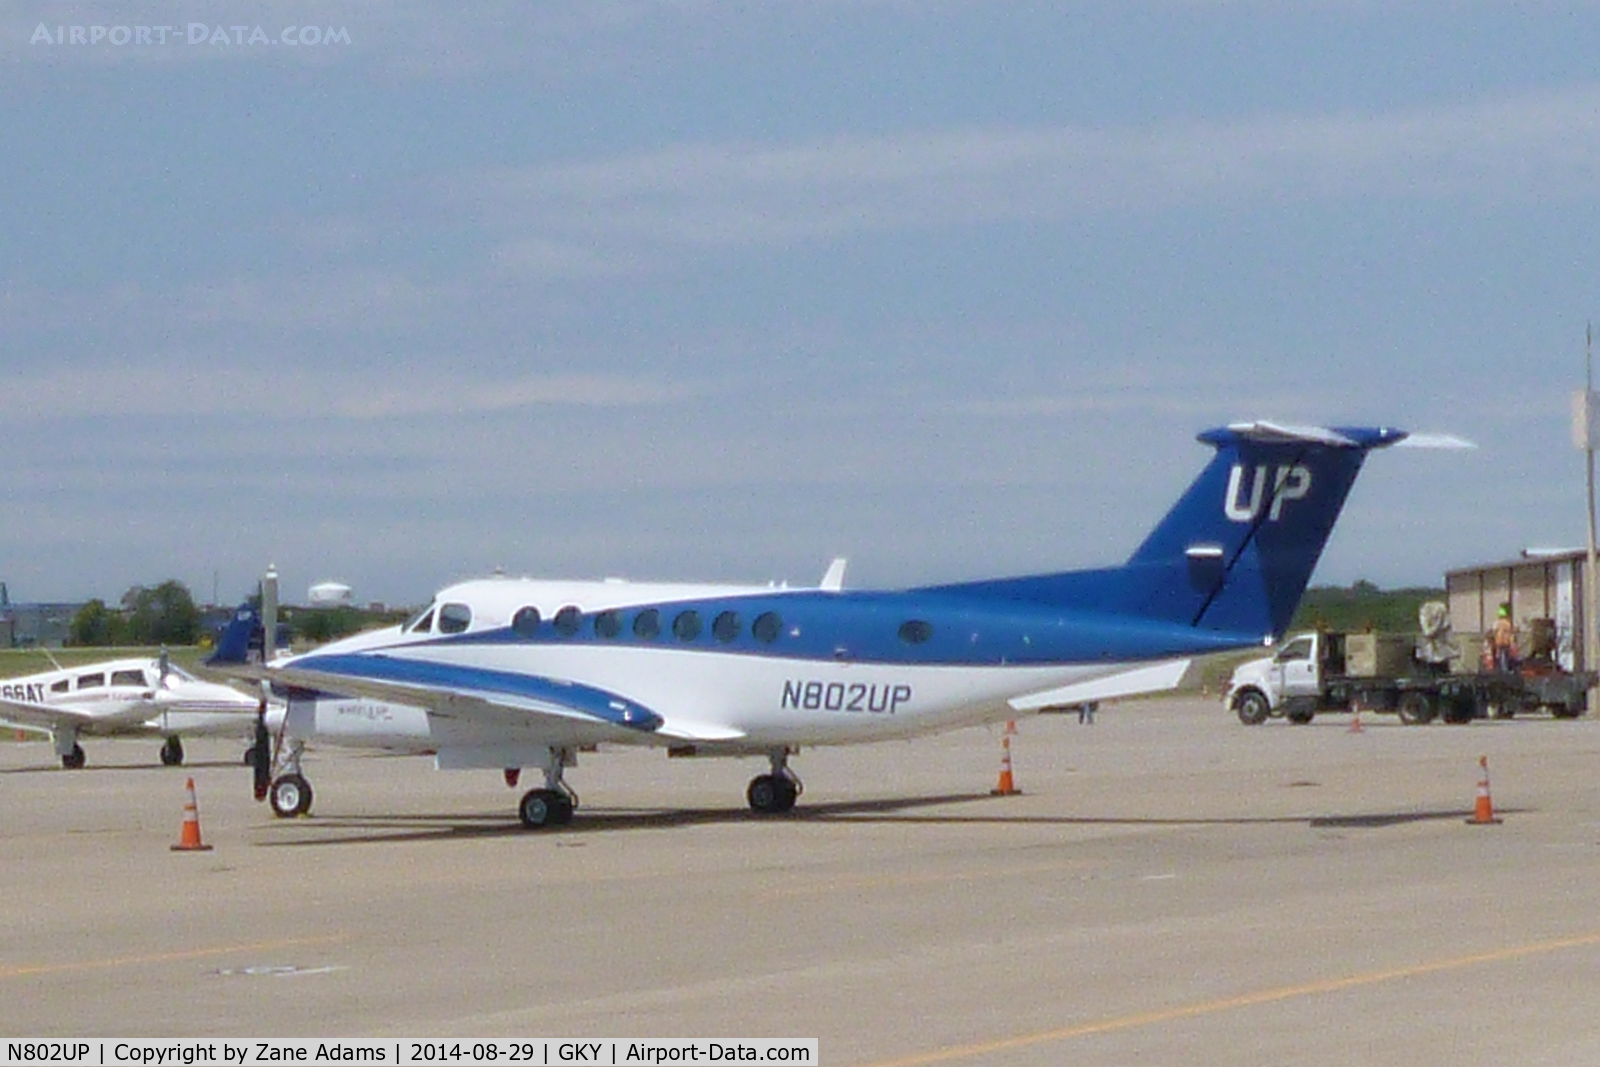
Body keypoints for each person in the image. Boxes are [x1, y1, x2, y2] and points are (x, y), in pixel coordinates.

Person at [1490, 603, 1519, 672]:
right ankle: (1505, 670)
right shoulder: (1507, 623)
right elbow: (1510, 633)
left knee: (1501, 656)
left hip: (1499, 642)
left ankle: (1502, 669)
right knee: (1504, 656)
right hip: (1505, 643)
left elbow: (1494, 632)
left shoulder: (1496, 623)